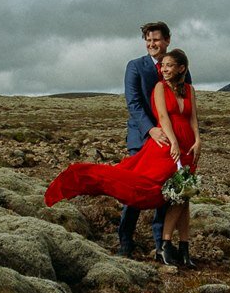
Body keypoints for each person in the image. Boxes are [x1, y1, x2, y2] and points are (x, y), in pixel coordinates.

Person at [45, 47, 201, 268]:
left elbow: (193, 118)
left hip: (189, 149)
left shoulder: (189, 89)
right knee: (157, 189)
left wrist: (198, 141)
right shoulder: (159, 87)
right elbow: (163, 117)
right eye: (163, 65)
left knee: (184, 195)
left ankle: (184, 250)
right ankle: (162, 245)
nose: (164, 69)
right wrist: (173, 142)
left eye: (169, 66)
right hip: (167, 146)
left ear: (181, 68)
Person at [117, 21, 172, 258]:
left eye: (156, 40)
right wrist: (151, 130)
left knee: (167, 191)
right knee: (136, 189)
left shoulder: (177, 66)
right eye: (148, 40)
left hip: (168, 141)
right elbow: (134, 104)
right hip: (142, 137)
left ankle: (161, 244)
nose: (152, 44)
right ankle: (125, 240)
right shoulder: (135, 67)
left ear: (167, 40)